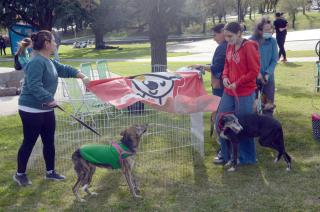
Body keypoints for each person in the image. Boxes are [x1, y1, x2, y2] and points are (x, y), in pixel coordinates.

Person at [13, 30, 90, 187]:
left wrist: (81, 75)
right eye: (54, 41)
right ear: (47, 43)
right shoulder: (36, 62)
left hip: (46, 109)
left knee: (49, 141)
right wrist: (49, 99)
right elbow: (34, 86)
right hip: (31, 109)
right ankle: (20, 174)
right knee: (29, 141)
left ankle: (50, 172)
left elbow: (63, 69)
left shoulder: (48, 61)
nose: (56, 43)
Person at [215, 22, 260, 165]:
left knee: (242, 125)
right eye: (226, 36)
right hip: (229, 91)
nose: (227, 39)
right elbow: (227, 65)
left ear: (239, 33)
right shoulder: (229, 45)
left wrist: (237, 83)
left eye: (230, 36)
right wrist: (225, 77)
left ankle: (247, 158)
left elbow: (253, 72)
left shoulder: (249, 46)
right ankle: (226, 155)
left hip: (245, 92)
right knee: (220, 121)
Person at [251, 17, 278, 116]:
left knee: (268, 105)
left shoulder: (273, 41)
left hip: (268, 79)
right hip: (253, 78)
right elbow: (250, 61)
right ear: (259, 30)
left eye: (271, 29)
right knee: (254, 105)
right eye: (267, 30)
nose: (270, 31)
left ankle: (268, 125)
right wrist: (257, 73)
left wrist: (267, 74)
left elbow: (274, 60)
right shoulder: (251, 42)